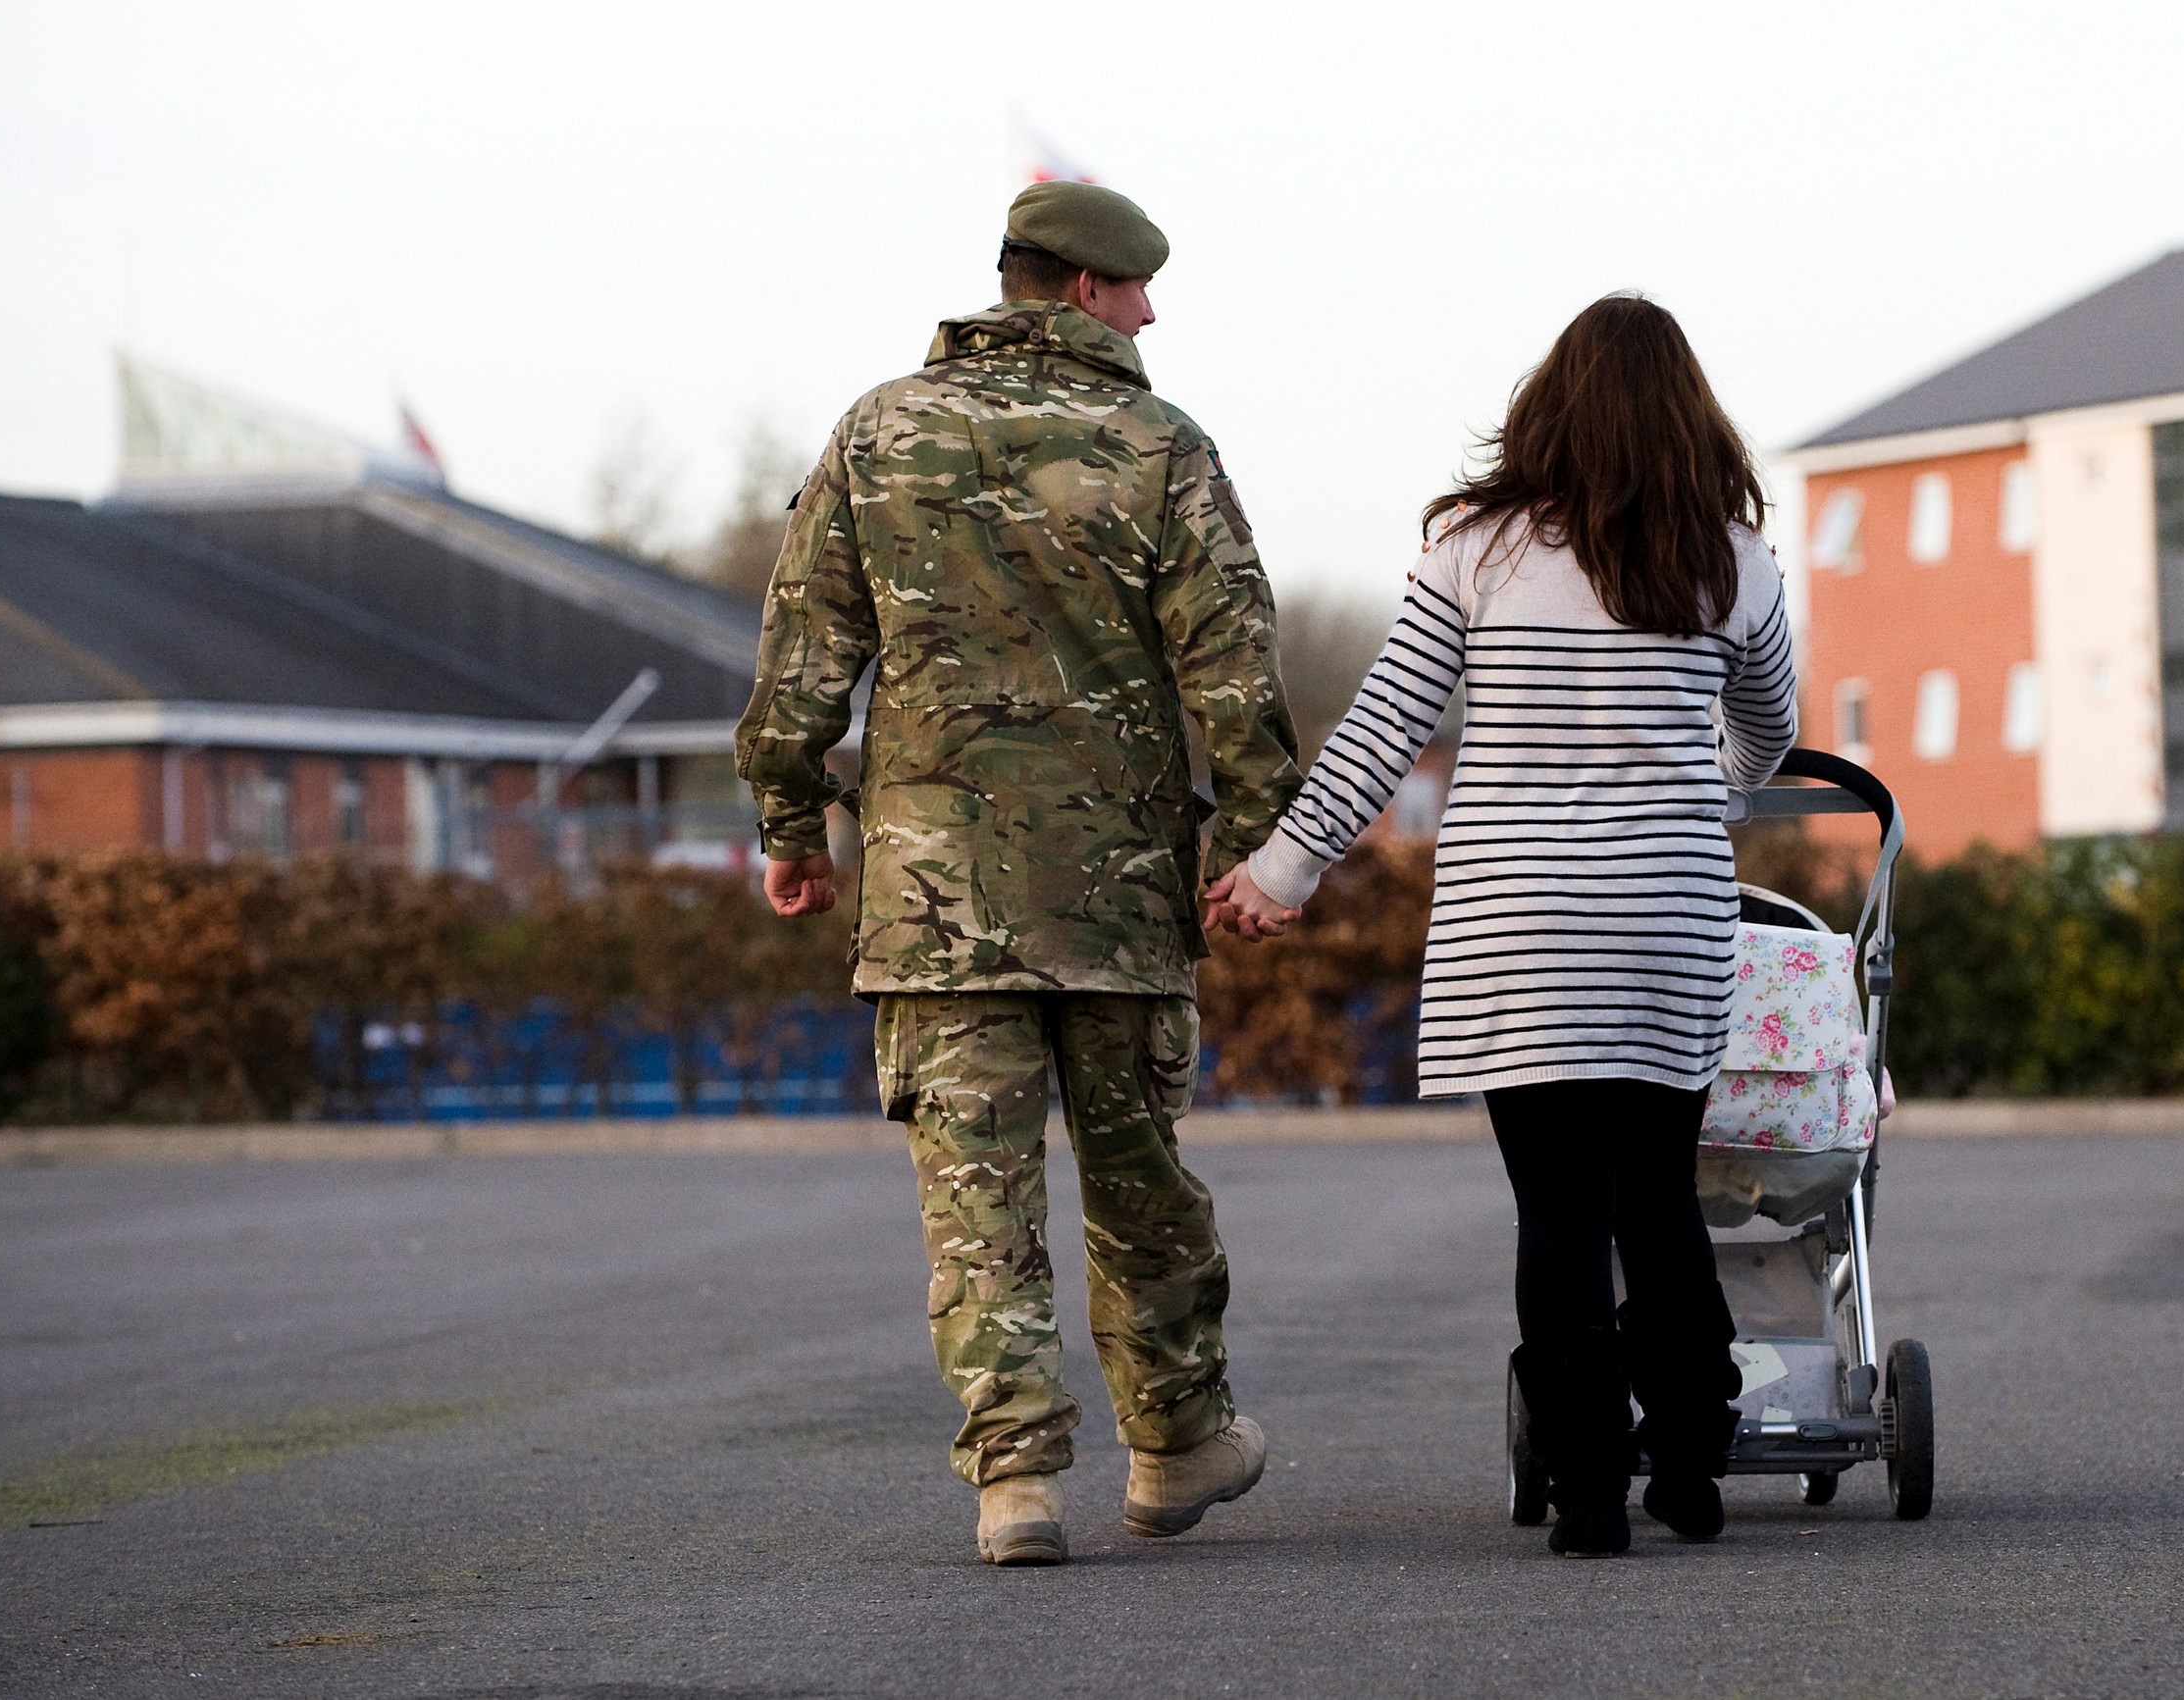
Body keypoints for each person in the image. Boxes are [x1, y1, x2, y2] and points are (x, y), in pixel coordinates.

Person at [738, 180, 1303, 1569]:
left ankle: (1016, 1484)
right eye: (1133, 288)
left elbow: (805, 651)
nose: (1151, 310)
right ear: (1073, 290)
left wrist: (790, 831)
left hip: (934, 902)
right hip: (1116, 895)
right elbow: (1233, 664)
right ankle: (1174, 1450)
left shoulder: (878, 432)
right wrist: (1254, 846)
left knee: (976, 1198)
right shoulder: (1162, 444)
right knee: (1138, 1175)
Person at [1209, 294, 1798, 1557]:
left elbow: (1382, 728)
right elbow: (1771, 727)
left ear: (1549, 406)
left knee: (1560, 1211)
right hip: (1665, 921)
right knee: (1659, 1200)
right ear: (1692, 416)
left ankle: (1590, 1488)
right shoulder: (1731, 558)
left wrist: (1283, 868)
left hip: (1520, 927)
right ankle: (1692, 1460)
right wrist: (1717, 771)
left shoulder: (1473, 549)